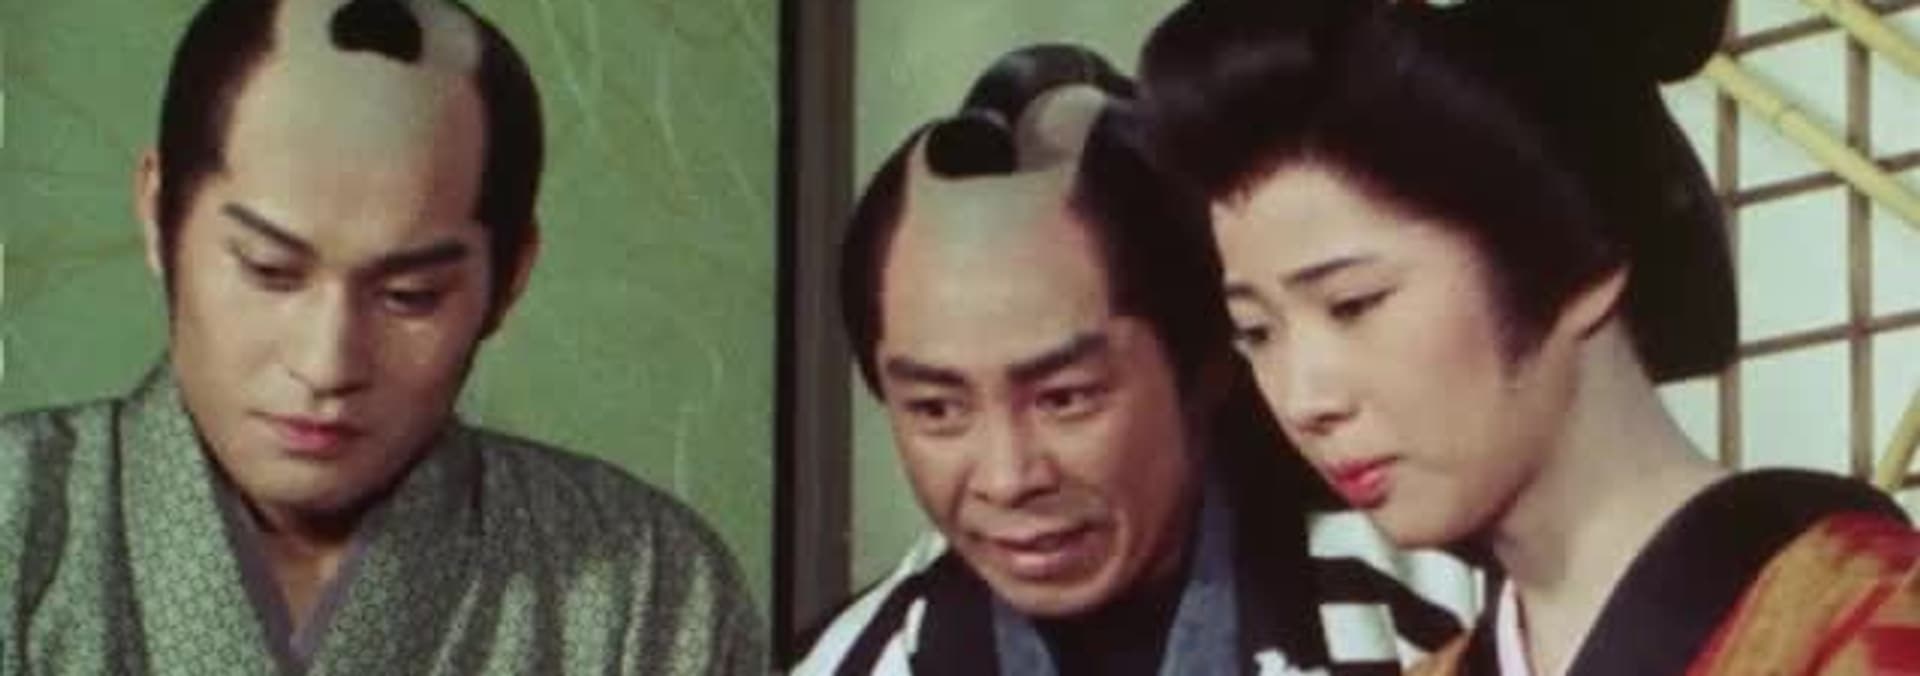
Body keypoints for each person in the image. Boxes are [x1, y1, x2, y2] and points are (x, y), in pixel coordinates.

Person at [1135, 0, 1920, 673]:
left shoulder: (1870, 621)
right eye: (1256, 333)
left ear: (1581, 262)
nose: (1306, 400)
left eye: (1354, 304)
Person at [0, 0, 763, 672]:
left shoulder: (646, 585)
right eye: (269, 270)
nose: (327, 363)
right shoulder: (17, 521)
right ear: (158, 213)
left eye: (410, 297)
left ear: (510, 277)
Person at [796, 45, 1482, 675]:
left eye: (1065, 397)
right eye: (938, 409)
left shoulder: (1445, 604)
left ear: (1207, 362)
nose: (1007, 479)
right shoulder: (863, 663)